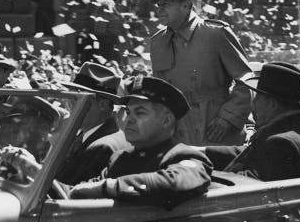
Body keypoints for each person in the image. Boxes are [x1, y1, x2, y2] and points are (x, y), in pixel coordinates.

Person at [69, 76, 213, 208]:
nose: (129, 119)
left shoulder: (184, 156)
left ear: (166, 120)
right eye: (129, 112)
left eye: (140, 112)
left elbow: (173, 183)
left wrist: (109, 186)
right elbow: (78, 190)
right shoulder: (120, 158)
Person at [148, 0, 252, 146]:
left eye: (165, 5)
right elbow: (160, 93)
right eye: (158, 5)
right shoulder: (158, 42)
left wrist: (228, 118)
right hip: (180, 134)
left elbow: (247, 80)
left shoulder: (215, 33)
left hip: (217, 132)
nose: (160, 11)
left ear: (186, 5)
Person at [205, 62, 300, 180]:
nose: (253, 104)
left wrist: (201, 173)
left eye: (257, 98)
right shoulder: (297, 129)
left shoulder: (281, 142)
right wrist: (200, 151)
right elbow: (249, 152)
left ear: (272, 105)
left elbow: (247, 182)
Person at [57, 62, 129, 184]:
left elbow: (70, 191)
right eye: (71, 97)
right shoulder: (86, 134)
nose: (70, 105)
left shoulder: (103, 147)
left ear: (102, 104)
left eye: (78, 99)